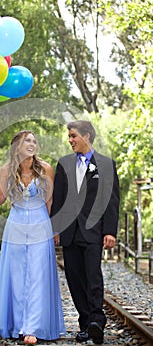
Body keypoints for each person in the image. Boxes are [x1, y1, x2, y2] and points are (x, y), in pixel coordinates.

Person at [0, 130, 65, 345]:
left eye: (34, 141)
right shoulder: (6, 170)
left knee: (38, 274)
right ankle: (18, 324)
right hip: (15, 225)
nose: (32, 144)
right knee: (17, 275)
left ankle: (33, 327)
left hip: (40, 224)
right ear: (17, 146)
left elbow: (50, 202)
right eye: (27, 141)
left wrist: (55, 229)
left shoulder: (46, 169)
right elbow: (1, 198)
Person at [50, 120, 120, 344]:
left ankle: (97, 321)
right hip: (70, 232)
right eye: (69, 136)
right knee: (74, 278)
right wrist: (56, 229)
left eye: (73, 136)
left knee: (93, 276)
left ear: (87, 136)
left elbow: (111, 201)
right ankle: (85, 324)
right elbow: (59, 199)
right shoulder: (64, 164)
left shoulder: (107, 165)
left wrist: (110, 231)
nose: (70, 140)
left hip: (93, 231)